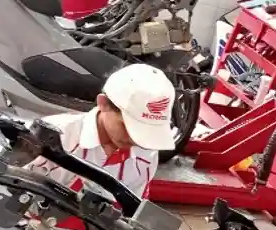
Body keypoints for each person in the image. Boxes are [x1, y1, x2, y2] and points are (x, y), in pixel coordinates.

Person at [25, 63, 177, 199]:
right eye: (128, 126)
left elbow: (134, 214)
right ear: (103, 103)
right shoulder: (53, 137)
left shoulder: (146, 155)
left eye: (147, 131)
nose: (134, 139)